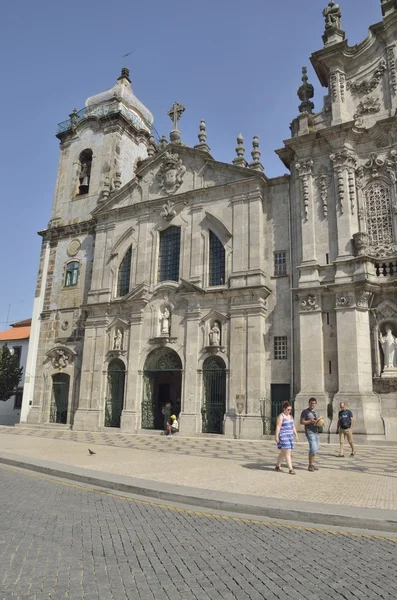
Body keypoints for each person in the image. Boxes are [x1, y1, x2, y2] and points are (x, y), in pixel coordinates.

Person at [275, 401, 298, 474]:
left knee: (283, 452)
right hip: (283, 436)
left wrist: (296, 434)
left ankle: (278, 466)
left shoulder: (291, 417)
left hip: (290, 436)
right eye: (288, 409)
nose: (290, 411)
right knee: (288, 452)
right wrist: (276, 436)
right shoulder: (281, 416)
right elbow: (278, 427)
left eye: (290, 410)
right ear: (284, 409)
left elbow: (293, 426)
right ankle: (291, 469)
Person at [300, 397, 321, 472]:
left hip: (316, 431)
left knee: (315, 449)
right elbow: (302, 422)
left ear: (316, 404)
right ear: (309, 403)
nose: (312, 404)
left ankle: (312, 464)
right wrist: (310, 421)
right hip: (309, 431)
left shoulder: (317, 412)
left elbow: (318, 420)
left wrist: (320, 422)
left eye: (314, 403)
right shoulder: (305, 412)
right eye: (311, 403)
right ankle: (310, 465)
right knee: (313, 447)